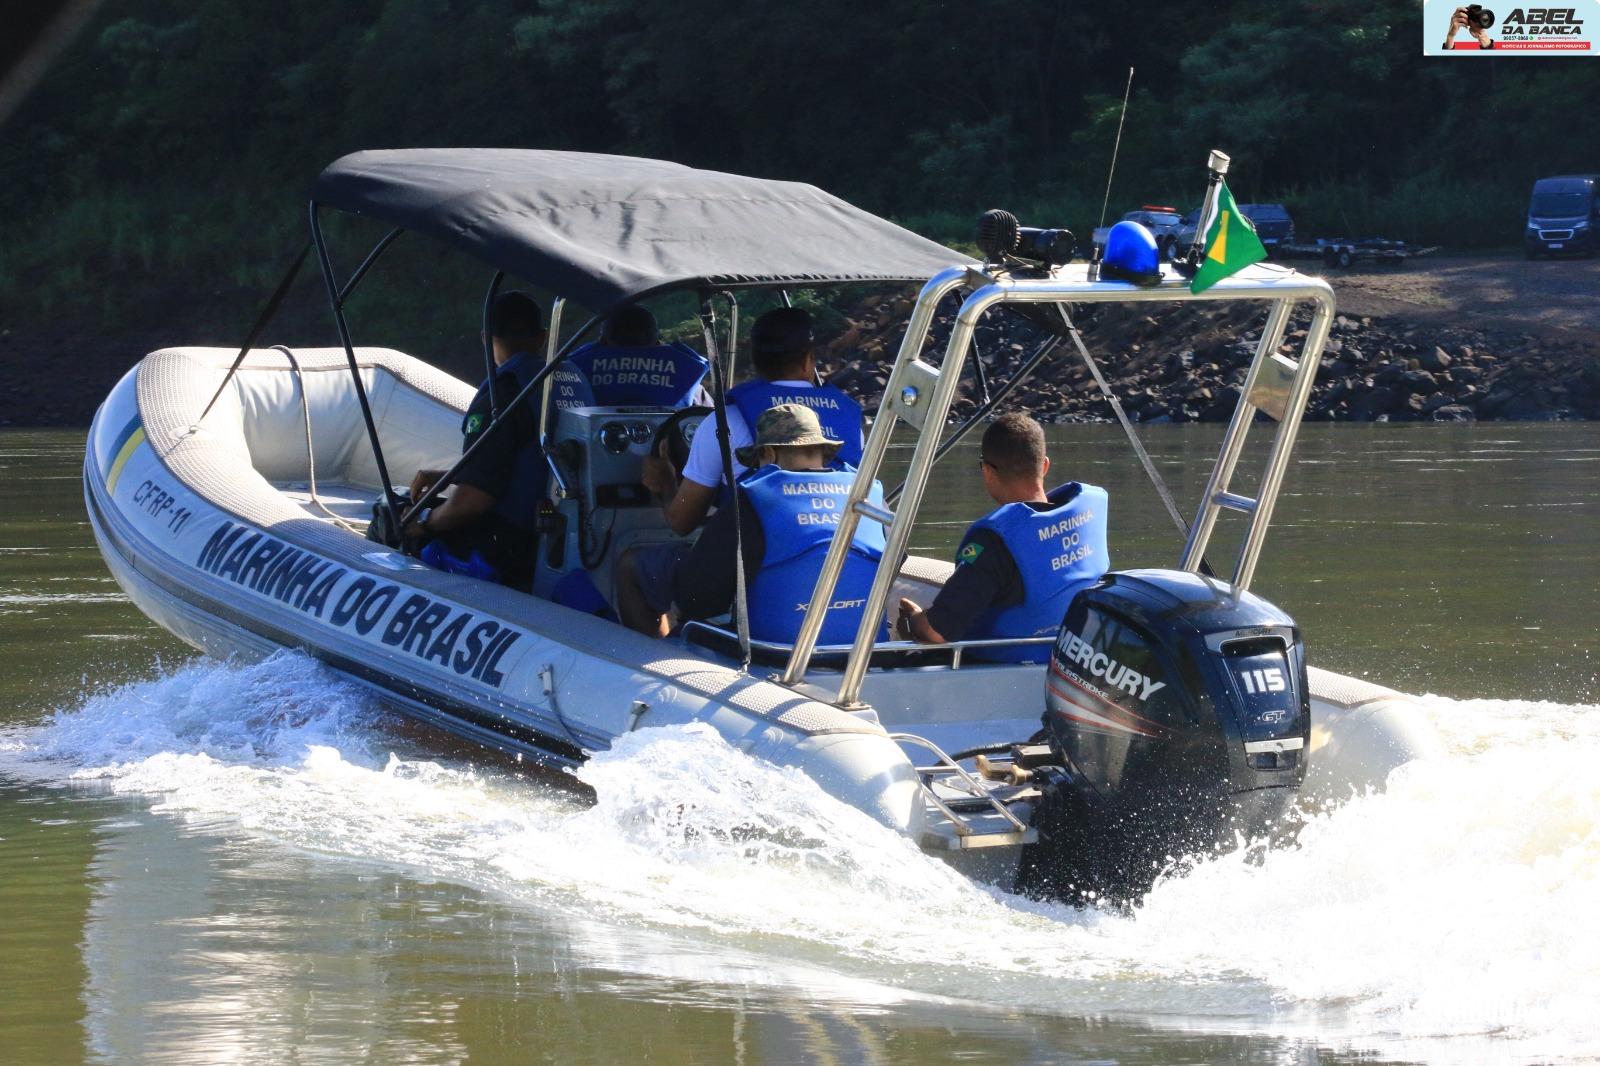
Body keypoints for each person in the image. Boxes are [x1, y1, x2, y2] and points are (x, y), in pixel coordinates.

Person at [616, 404, 886, 643]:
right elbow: (893, 561)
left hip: (772, 653)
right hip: (863, 650)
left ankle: (654, 657)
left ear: (767, 453)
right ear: (824, 453)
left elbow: (697, 598)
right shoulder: (868, 494)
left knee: (633, 567)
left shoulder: (754, 497)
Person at [896, 413, 1108, 663]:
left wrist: (912, 622)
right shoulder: (1087, 514)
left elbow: (938, 632)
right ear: (1045, 466)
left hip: (997, 669)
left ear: (987, 471)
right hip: (1070, 661)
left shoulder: (994, 541)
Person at [640, 307, 863, 536]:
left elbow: (681, 523)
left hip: (762, 563)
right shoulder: (852, 422)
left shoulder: (724, 422)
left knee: (633, 562)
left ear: (756, 362)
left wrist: (667, 485)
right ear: (808, 361)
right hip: (843, 552)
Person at [405, 291, 547, 589]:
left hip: (510, 548)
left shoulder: (502, 396)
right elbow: (525, 466)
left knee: (400, 525)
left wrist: (423, 523)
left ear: (486, 338)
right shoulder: (562, 381)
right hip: (552, 536)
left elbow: (473, 503)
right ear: (542, 337)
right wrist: (453, 477)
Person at [548, 304, 711, 411]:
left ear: (602, 341)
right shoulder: (689, 380)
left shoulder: (573, 372)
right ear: (657, 343)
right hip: (669, 459)